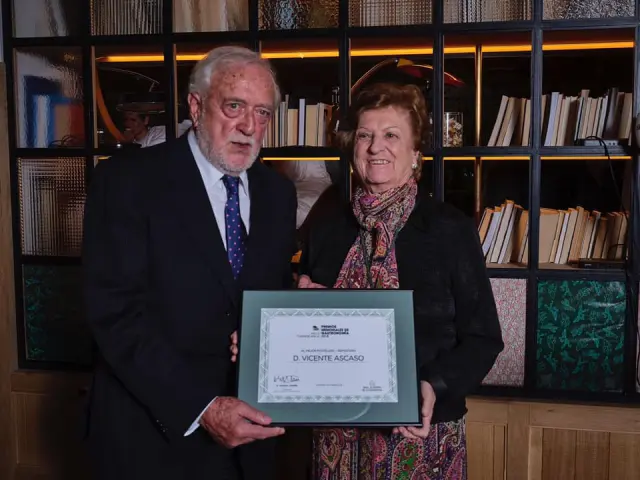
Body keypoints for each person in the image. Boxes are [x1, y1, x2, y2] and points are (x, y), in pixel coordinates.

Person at [231, 82, 504, 478]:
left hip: (419, 438)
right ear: (353, 148)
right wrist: (273, 332)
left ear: (415, 155)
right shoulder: (325, 226)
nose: (377, 147)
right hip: (334, 441)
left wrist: (433, 386)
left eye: (391, 135)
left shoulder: (448, 230)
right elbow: (307, 317)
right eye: (365, 135)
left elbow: (483, 338)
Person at [82, 46, 297, 480]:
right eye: (234, 106)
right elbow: (115, 315)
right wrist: (203, 407)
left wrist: (296, 307)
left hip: (249, 446)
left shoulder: (278, 194)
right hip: (151, 439)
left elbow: (258, 299)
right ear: (196, 107)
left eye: (262, 113)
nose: (248, 126)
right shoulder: (127, 182)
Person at [122, 110, 192, 147]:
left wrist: (128, 144)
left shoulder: (159, 132)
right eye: (126, 119)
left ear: (145, 120)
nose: (128, 124)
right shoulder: (128, 141)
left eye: (133, 120)